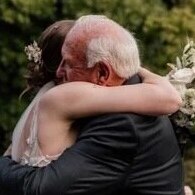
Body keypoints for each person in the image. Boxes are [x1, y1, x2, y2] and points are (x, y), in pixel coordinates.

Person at [0, 15, 183, 195]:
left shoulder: (122, 124)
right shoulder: (131, 90)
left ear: (103, 73)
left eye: (69, 64)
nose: (60, 71)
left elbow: (40, 188)